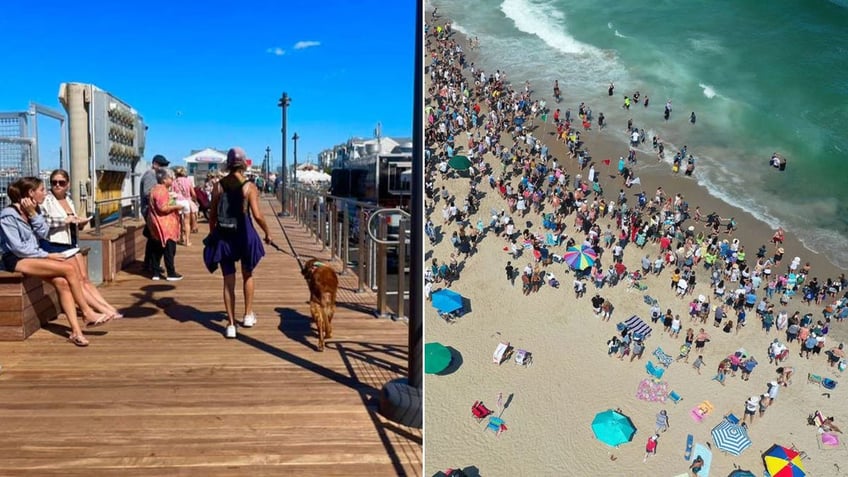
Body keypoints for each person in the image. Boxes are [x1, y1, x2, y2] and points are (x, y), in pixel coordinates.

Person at [0, 177, 112, 346]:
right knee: (68, 269)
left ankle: (76, 332)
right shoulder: (8, 215)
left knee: (62, 283)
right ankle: (87, 312)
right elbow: (18, 248)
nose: (45, 193)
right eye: (42, 190)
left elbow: (44, 233)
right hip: (14, 259)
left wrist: (33, 214)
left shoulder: (33, 209)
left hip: (31, 256)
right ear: (31, 193)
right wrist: (46, 255)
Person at [203, 147, 271, 339]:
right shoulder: (250, 187)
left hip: (224, 235)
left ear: (228, 163)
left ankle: (231, 325)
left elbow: (212, 214)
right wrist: (268, 232)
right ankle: (248, 315)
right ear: (243, 164)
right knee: (248, 274)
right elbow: (257, 215)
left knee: (228, 280)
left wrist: (212, 234)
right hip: (244, 234)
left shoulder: (219, 185)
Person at [39, 169, 123, 318]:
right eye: (54, 183)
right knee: (77, 280)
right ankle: (102, 310)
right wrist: (67, 220)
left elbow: (71, 221)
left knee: (85, 279)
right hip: (56, 244)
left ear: (68, 184)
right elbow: (43, 223)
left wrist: (79, 223)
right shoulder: (46, 200)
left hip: (71, 242)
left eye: (61, 182)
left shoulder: (69, 199)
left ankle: (106, 306)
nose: (57, 185)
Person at [147, 168, 184, 281]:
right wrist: (178, 206)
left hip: (158, 225)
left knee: (156, 250)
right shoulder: (161, 190)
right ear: (164, 180)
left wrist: (171, 198)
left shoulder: (156, 189)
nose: (172, 179)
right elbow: (163, 208)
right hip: (165, 226)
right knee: (169, 250)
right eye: (170, 177)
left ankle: (156, 273)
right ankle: (171, 273)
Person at [140, 154, 170, 275]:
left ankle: (149, 264)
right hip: (149, 210)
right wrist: (162, 195)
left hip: (152, 210)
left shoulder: (155, 175)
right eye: (162, 165)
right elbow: (148, 192)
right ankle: (152, 265)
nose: (164, 168)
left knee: (153, 239)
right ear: (155, 164)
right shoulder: (150, 175)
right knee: (155, 239)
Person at [172, 166, 198, 246]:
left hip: (177, 202)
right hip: (186, 202)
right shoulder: (188, 181)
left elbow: (172, 193)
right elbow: (193, 193)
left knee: (179, 222)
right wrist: (194, 199)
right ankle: (187, 241)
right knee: (187, 222)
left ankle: (180, 238)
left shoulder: (174, 182)